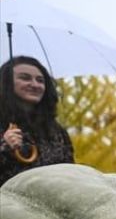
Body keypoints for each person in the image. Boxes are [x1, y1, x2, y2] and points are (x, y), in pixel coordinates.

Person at [0, 56, 74, 187]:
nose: (35, 85)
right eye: (25, 78)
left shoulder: (56, 131)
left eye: (40, 80)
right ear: (6, 82)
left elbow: (71, 173)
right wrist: (4, 147)